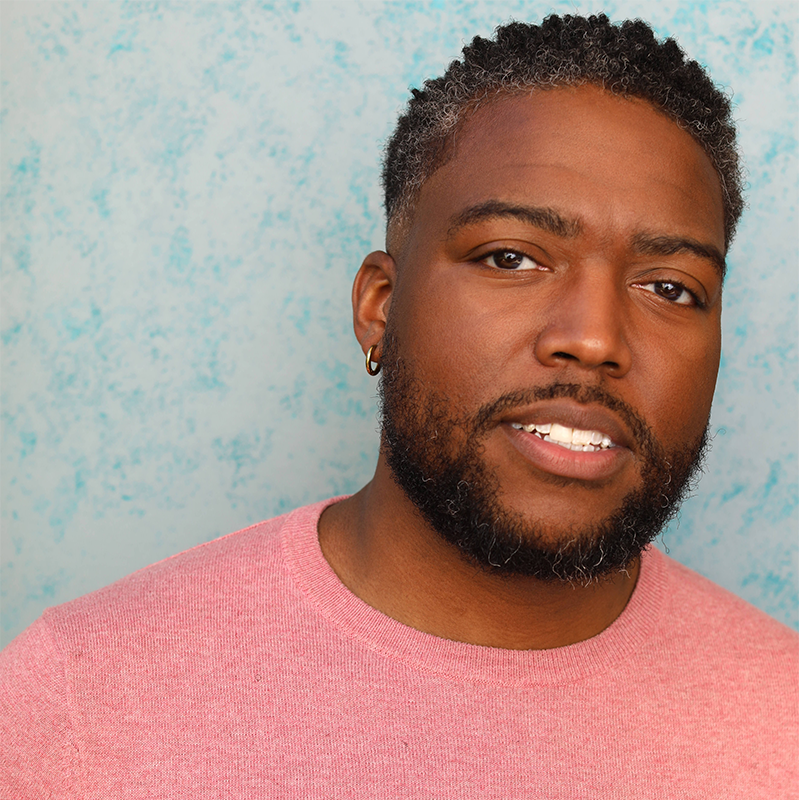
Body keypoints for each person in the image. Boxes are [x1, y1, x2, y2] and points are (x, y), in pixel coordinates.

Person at [1, 13, 796, 798]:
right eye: (512, 257)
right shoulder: (79, 698)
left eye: (671, 287)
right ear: (380, 305)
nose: (593, 339)